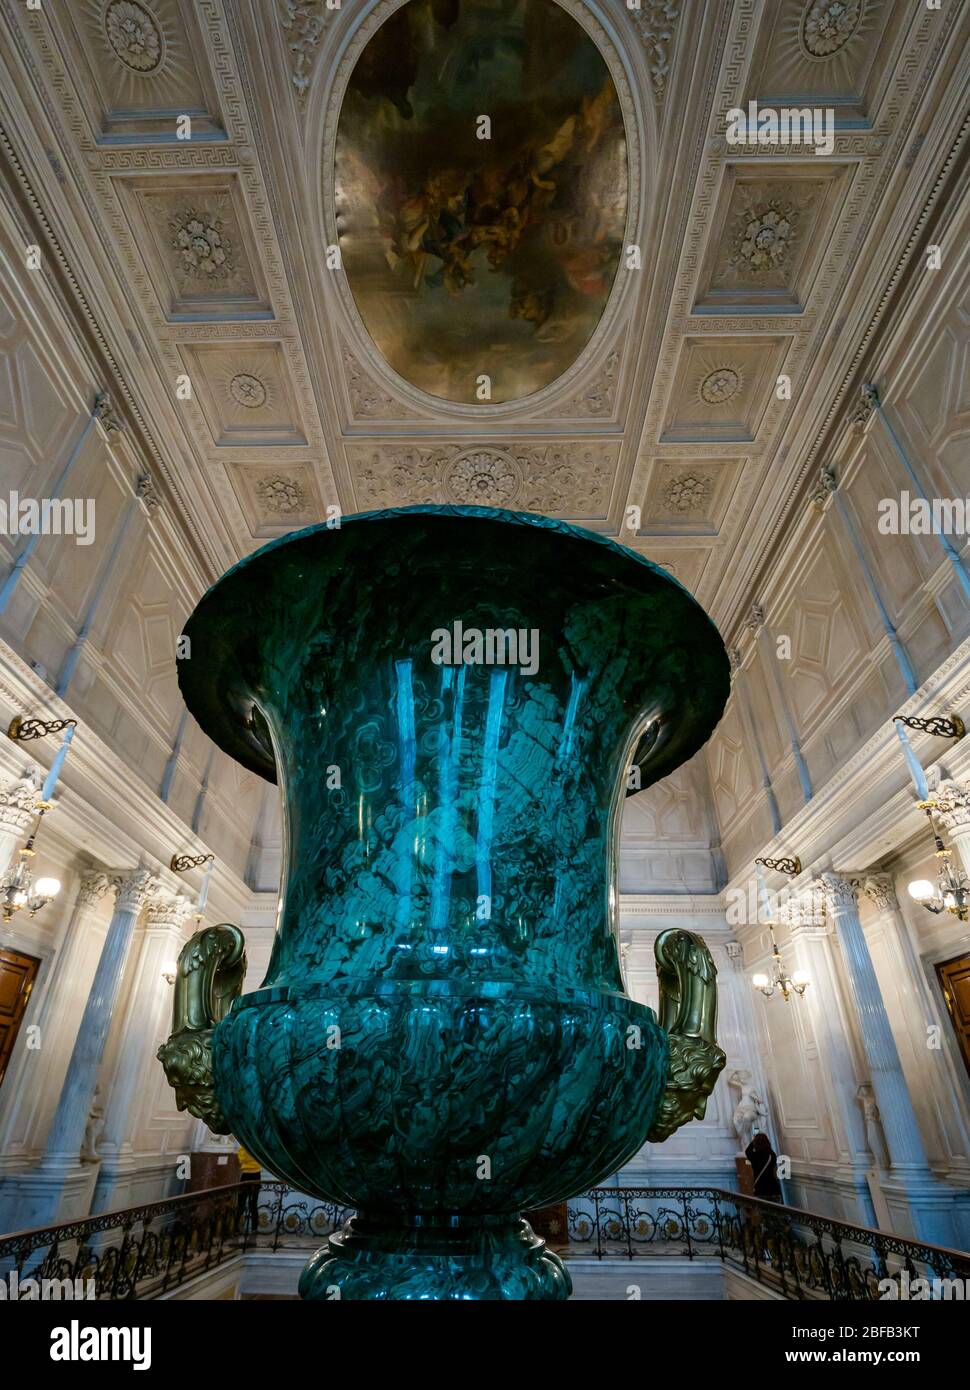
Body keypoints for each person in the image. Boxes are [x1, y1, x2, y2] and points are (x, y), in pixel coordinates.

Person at [745, 1131, 782, 1202]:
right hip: (774, 1189)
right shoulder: (772, 1155)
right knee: (776, 1211)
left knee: (764, 1212)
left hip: (761, 1190)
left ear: (755, 1143)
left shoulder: (754, 1156)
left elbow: (747, 1151)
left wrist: (754, 1141)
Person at [236, 1144, 262, 1233]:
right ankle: (236, 1228)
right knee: (242, 1203)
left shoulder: (253, 1147)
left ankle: (254, 1228)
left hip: (252, 1174)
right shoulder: (248, 1148)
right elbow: (242, 1159)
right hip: (249, 1175)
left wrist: (249, 1158)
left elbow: (243, 1160)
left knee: (252, 1203)